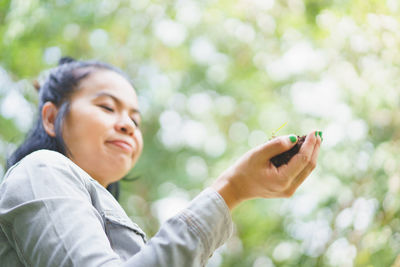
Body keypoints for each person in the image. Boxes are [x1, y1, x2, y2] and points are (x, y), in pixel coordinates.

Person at [0, 57, 322, 267]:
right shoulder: (40, 170)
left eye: (135, 120)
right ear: (52, 117)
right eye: (107, 107)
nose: (127, 125)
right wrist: (232, 189)